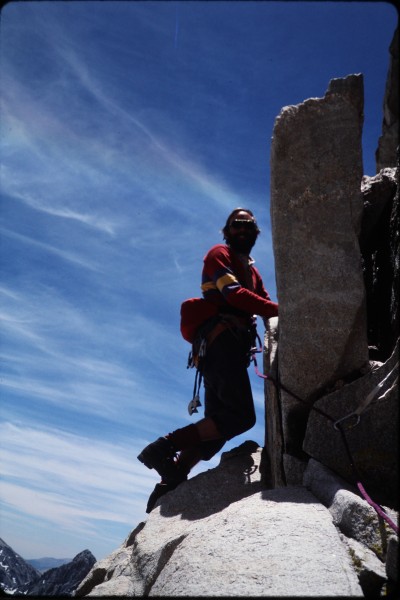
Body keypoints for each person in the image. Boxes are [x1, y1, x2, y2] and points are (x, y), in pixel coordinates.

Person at [138, 208, 279, 512]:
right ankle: (163, 447)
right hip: (221, 343)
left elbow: (263, 303)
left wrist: (275, 313)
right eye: (236, 225)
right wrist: (282, 311)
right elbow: (233, 293)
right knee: (240, 417)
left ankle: (171, 480)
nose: (242, 230)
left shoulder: (252, 272)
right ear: (226, 232)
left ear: (255, 233)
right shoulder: (219, 254)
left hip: (224, 349)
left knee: (217, 429)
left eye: (248, 226)